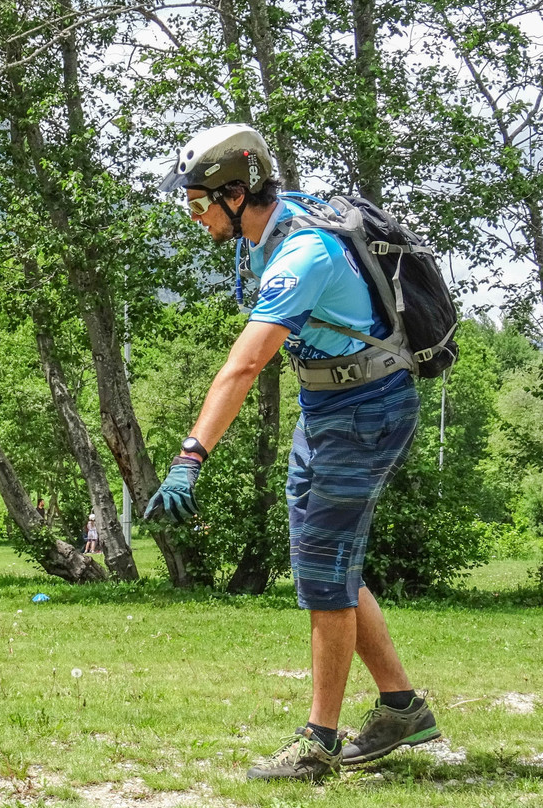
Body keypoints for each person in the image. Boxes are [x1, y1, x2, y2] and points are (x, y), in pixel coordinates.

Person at [145, 124, 439, 782]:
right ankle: (401, 708)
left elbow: (245, 367)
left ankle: (318, 744)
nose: (194, 218)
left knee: (324, 574)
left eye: (198, 204)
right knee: (324, 562)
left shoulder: (301, 253)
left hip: (366, 412)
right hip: (329, 408)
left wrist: (190, 456)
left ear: (236, 193)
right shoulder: (272, 230)